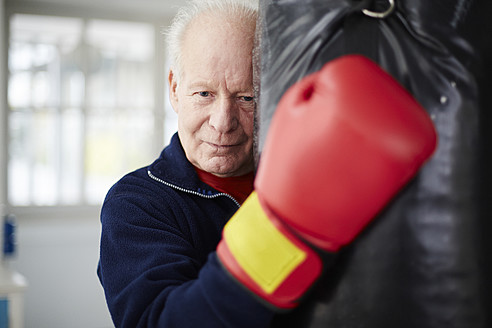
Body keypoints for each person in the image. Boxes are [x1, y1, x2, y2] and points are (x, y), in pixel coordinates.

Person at [98, 0, 275, 327]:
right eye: (204, 94)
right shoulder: (136, 204)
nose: (223, 122)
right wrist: (286, 227)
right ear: (175, 90)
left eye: (246, 97)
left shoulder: (296, 184)